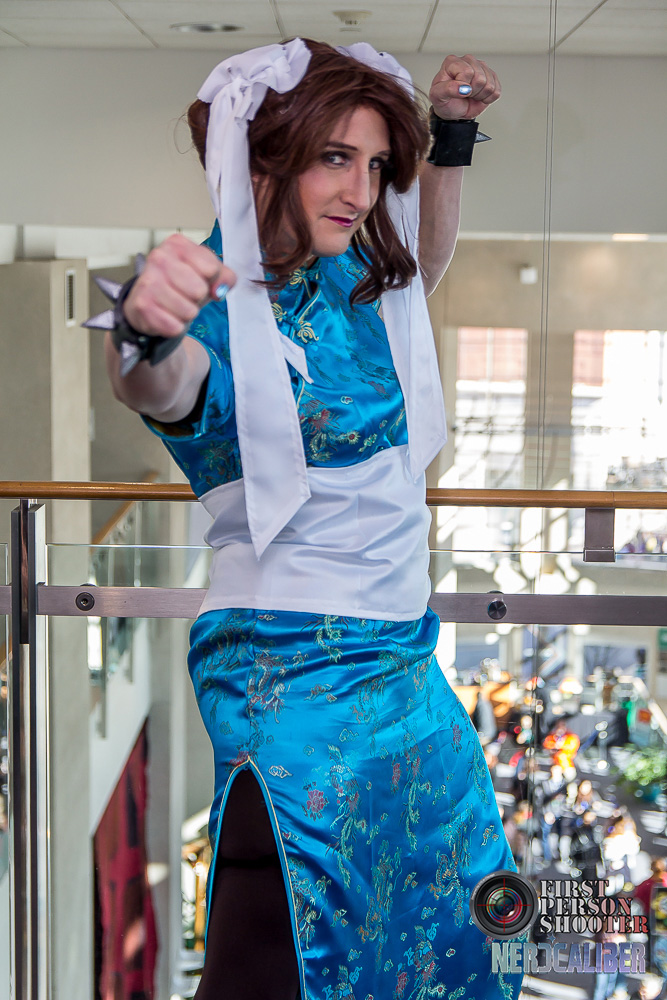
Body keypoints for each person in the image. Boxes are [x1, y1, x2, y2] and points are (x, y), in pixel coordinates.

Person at [99, 37, 518, 1000]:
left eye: (374, 165)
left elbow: (420, 269)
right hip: (292, 670)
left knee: (451, 917)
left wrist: (451, 137)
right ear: (261, 160)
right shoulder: (211, 302)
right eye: (336, 158)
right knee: (290, 937)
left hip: (402, 660)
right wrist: (138, 330)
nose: (361, 191)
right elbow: (160, 385)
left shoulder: (351, 273)